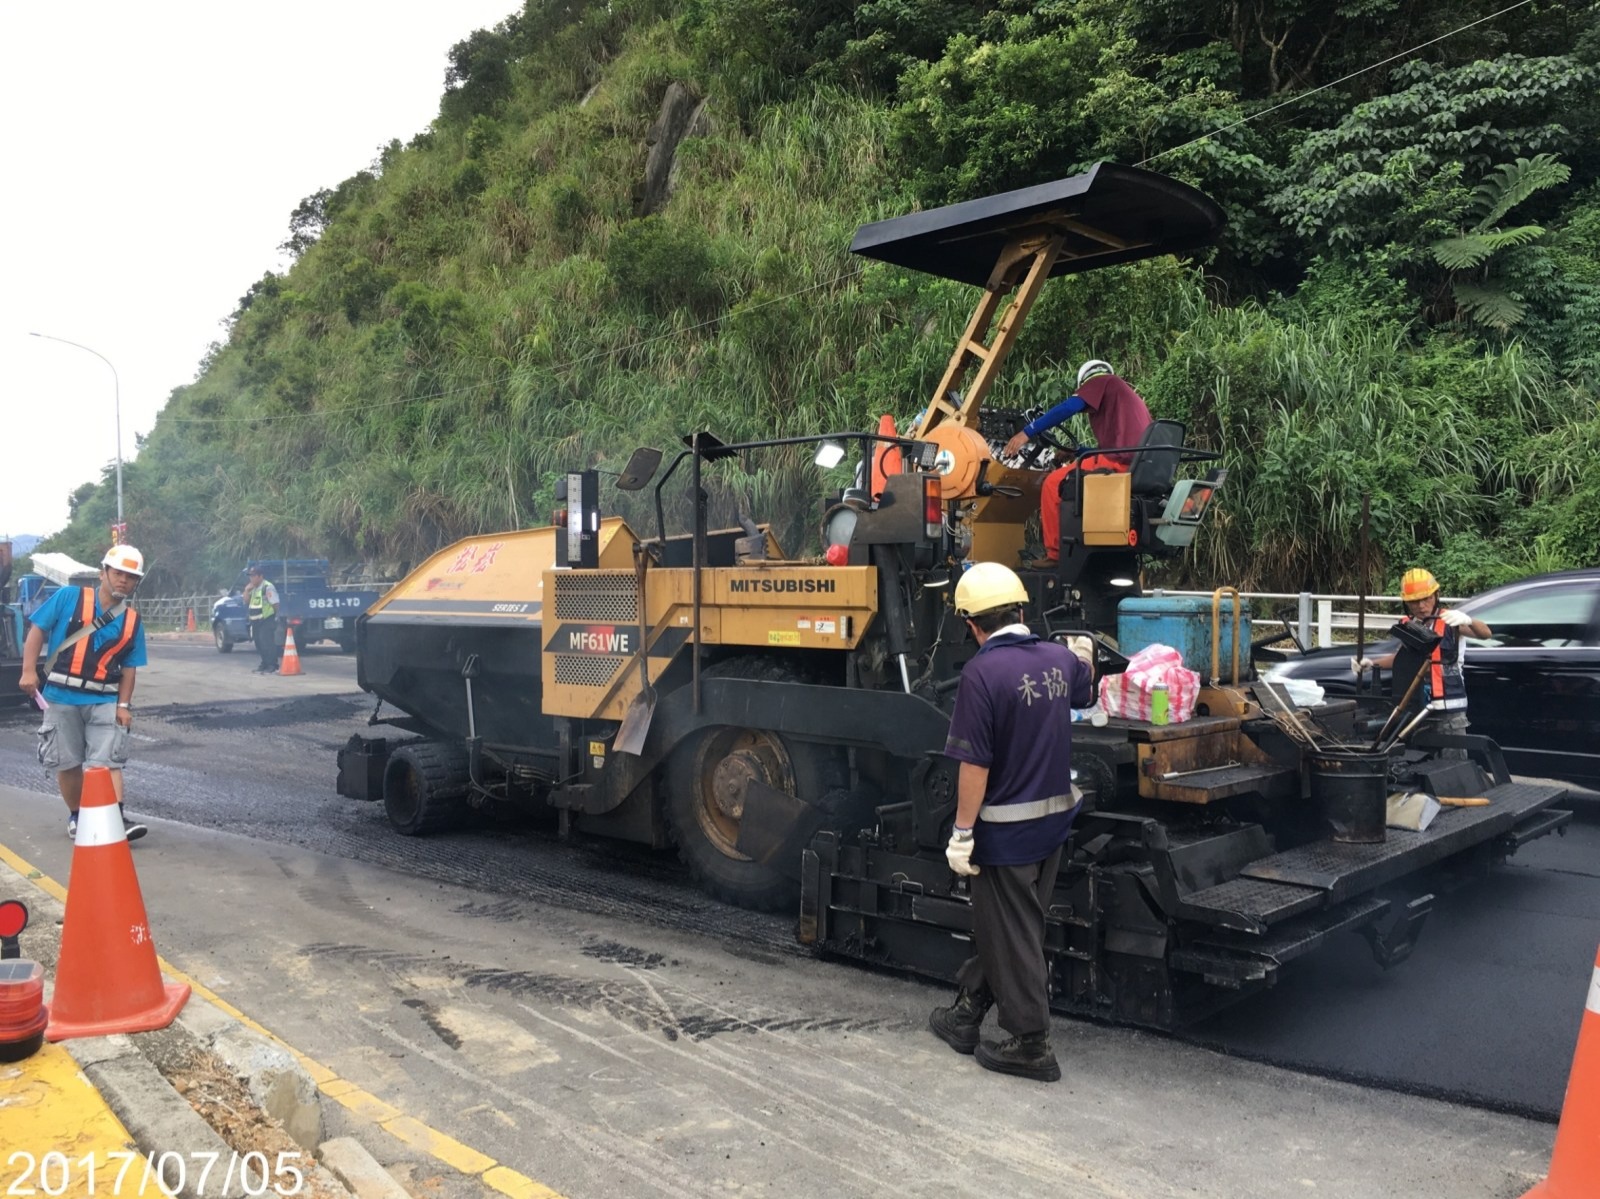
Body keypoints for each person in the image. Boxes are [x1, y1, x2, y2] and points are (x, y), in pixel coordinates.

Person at [928, 562, 1094, 1082]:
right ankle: (968, 1011)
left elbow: (973, 763)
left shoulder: (981, 673)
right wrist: (1083, 654)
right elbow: (1086, 685)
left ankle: (1031, 1042)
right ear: (1023, 610)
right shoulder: (1059, 659)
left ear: (971, 624)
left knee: (1012, 929)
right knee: (1010, 926)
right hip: (1053, 824)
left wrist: (961, 833)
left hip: (1006, 832)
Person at [17, 546, 150, 841]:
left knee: (108, 761)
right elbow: (37, 629)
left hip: (104, 700)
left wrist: (124, 705)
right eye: (118, 573)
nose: (123, 581)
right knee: (67, 762)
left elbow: (129, 667)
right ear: (103, 573)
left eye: (131, 577)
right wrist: (29, 671)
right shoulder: (69, 597)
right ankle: (78, 815)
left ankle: (116, 819)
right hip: (61, 697)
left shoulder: (132, 621)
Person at [1002, 359, 1154, 562]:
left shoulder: (1102, 381)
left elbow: (1068, 407)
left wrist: (1027, 433)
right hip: (1136, 464)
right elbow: (1116, 448)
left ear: (1085, 383)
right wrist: (1078, 452)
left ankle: (1054, 556)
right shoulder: (1125, 397)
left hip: (1119, 462)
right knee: (1072, 476)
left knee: (1053, 484)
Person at [1353, 567, 1491, 754]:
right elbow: (1401, 659)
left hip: (1447, 709)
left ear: (1436, 595)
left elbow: (1485, 633)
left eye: (1426, 598)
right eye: (1414, 602)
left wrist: (1468, 620)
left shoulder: (1450, 621)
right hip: (1417, 706)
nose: (1421, 606)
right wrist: (1371, 664)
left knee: (1453, 766)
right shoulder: (1411, 626)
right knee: (1421, 760)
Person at [245, 565, 281, 674]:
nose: (251, 578)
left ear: (260, 576)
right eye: (250, 576)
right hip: (255, 620)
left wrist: (273, 616)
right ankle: (264, 663)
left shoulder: (267, 587)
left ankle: (272, 664)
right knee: (259, 643)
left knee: (267, 642)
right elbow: (246, 601)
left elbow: (275, 603)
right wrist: (246, 590)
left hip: (266, 619)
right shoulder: (253, 588)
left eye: (253, 576)